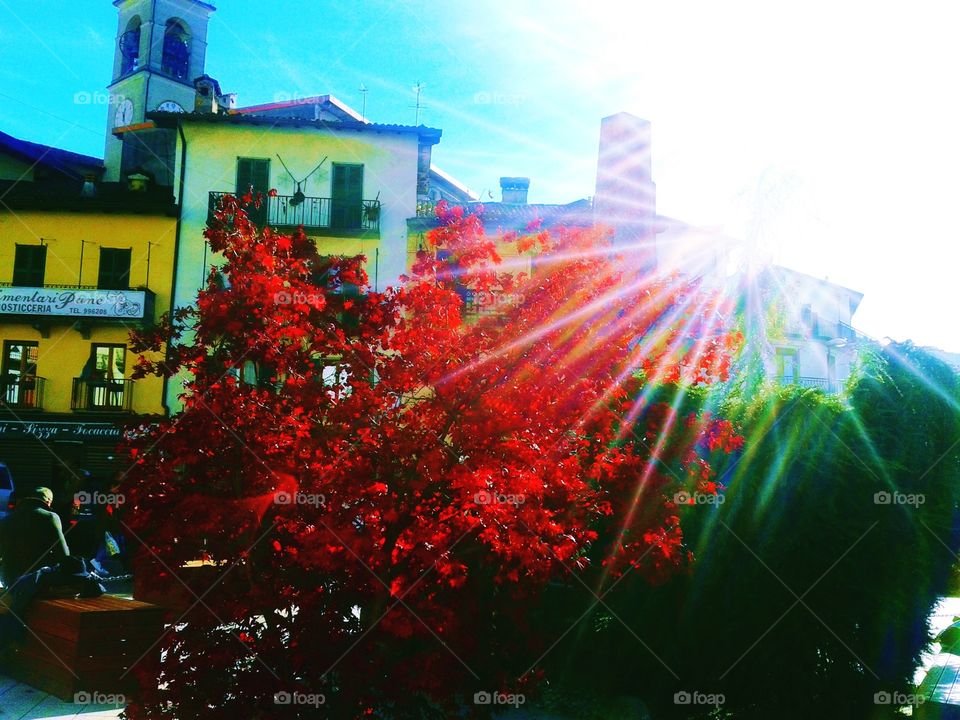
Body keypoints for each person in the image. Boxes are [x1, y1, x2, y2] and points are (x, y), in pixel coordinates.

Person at [0, 487, 70, 588]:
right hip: (37, 580)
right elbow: (63, 554)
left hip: (9, 580)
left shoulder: (6, 519)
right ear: (48, 502)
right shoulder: (50, 517)